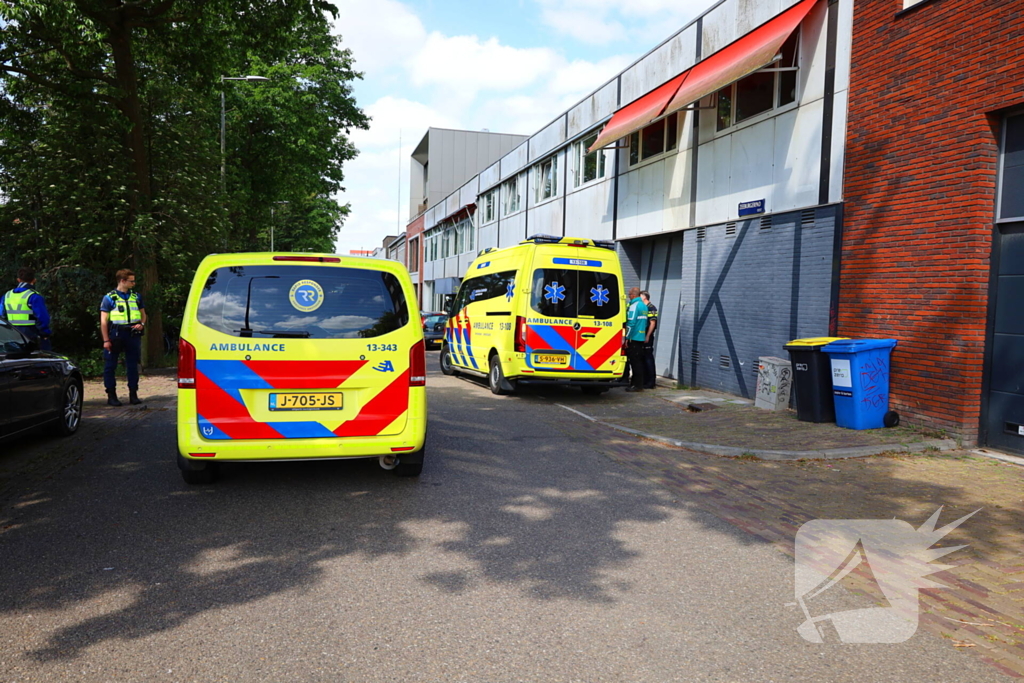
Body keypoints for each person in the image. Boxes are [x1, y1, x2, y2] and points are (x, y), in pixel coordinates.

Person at [99, 269, 147, 406]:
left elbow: (144, 314)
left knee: (132, 365)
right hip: (116, 334)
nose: (134, 283)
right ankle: (111, 395)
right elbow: (103, 321)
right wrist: (106, 340)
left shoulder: (136, 296)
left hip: (132, 334)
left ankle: (133, 394)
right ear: (122, 281)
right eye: (131, 281)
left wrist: (141, 324)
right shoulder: (109, 298)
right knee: (110, 365)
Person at [1, 267, 52, 350]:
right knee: (40, 360)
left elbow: (2, 316)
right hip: (31, 335)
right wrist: (44, 334)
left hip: (12, 335)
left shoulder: (7, 296)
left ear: (18, 280)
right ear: (34, 280)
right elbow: (43, 318)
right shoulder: (34, 296)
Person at [624, 286, 648, 393]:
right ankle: (638, 383)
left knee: (634, 362)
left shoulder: (634, 306)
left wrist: (626, 338)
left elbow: (631, 323)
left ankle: (636, 385)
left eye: (629, 295)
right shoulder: (643, 305)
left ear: (633, 295)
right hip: (641, 336)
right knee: (638, 362)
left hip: (633, 337)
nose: (629, 297)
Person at [640, 290, 658, 390]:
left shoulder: (651, 308)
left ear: (644, 297)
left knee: (648, 358)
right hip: (642, 336)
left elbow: (652, 323)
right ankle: (645, 380)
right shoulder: (644, 308)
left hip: (648, 337)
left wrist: (647, 336)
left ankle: (651, 382)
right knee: (643, 358)